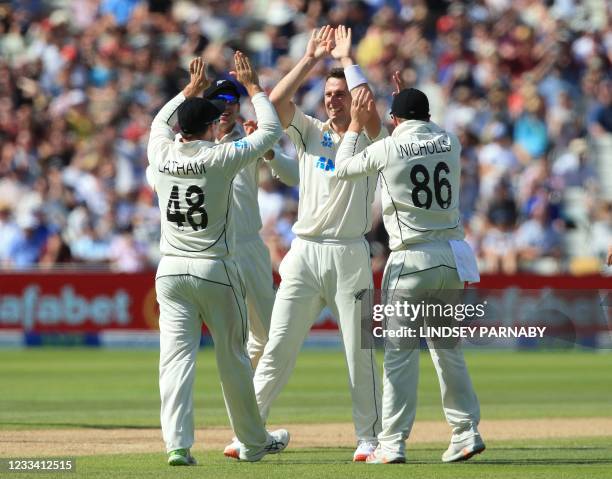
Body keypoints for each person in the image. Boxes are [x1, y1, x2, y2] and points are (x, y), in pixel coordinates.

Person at [224, 25, 385, 462]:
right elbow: (274, 105)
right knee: (277, 347)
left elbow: (368, 114)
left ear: (355, 98)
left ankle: (368, 438)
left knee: (358, 352)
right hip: (304, 253)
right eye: (328, 94)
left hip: (349, 251)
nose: (332, 99)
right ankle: (250, 434)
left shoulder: (370, 136)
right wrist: (311, 58)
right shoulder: (312, 131)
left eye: (340, 93)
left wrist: (349, 61)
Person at [146, 53, 289, 466]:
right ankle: (252, 438)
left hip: (170, 271)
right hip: (214, 268)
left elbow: (158, 124)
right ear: (208, 128)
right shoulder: (219, 158)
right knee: (234, 357)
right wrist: (255, 88)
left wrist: (185, 93)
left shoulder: (162, 153)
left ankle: (177, 445)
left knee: (174, 360)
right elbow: (272, 131)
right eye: (212, 122)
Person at [335, 87, 484, 464]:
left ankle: (393, 444)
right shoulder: (449, 141)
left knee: (400, 357)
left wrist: (353, 126)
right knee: (448, 352)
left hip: (410, 261)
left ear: (395, 120)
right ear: (427, 116)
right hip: (451, 260)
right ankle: (466, 432)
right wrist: (408, 106)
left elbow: (342, 168)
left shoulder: (388, 148)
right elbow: (421, 130)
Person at [203, 79, 299, 368]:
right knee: (230, 336)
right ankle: (242, 405)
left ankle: (253, 402)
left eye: (231, 101)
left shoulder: (249, 140)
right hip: (212, 250)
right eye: (219, 101)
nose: (225, 108)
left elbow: (293, 177)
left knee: (269, 334)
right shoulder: (195, 142)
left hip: (248, 245)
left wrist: (266, 150)